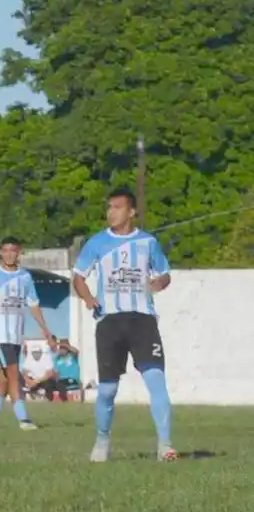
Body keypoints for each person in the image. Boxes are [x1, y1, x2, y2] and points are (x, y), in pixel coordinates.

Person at [72, 186, 177, 462]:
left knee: (156, 380)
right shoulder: (96, 242)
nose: (111, 212)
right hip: (110, 322)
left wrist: (158, 283)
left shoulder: (148, 242)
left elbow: (165, 273)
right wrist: (89, 299)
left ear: (131, 212)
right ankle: (102, 441)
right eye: (109, 208)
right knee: (107, 389)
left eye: (117, 207)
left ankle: (165, 445)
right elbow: (79, 277)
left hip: (142, 320)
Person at [0, 237, 56, 431]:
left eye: (12, 250)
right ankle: (24, 420)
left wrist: (45, 329)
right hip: (0, 335)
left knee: (6, 380)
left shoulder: (25, 277)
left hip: (16, 335)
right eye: (5, 250)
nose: (9, 254)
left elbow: (34, 305)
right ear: (1, 252)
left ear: (19, 252)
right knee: (14, 375)